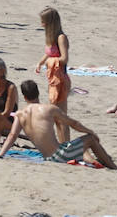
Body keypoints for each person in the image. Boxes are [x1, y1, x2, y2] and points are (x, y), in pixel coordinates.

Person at [0, 81, 117, 168]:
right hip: (59, 156)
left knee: (78, 146)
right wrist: (91, 132)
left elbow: (12, 136)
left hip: (47, 158)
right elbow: (73, 123)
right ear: (38, 93)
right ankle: (113, 167)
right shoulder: (49, 109)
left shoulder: (20, 114)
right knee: (90, 139)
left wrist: (1, 154)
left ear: (24, 96)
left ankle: (99, 163)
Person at [36, 7, 71, 137]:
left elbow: (64, 58)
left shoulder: (61, 38)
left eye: (43, 22)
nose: (41, 24)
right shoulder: (50, 38)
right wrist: (40, 63)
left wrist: (50, 62)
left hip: (61, 79)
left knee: (61, 116)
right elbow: (48, 53)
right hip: (53, 80)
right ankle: (61, 144)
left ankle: (65, 144)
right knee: (56, 116)